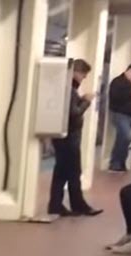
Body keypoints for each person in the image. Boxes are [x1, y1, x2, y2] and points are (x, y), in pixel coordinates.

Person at [48, 59, 102, 217]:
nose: (84, 77)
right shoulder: (69, 89)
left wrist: (81, 99)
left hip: (63, 136)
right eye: (83, 74)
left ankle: (56, 205)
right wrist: (86, 101)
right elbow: (74, 113)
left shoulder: (65, 87)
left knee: (62, 172)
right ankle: (78, 205)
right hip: (69, 137)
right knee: (73, 172)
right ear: (76, 72)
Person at [107, 63, 131, 172]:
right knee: (127, 136)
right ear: (130, 70)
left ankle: (120, 163)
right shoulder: (117, 82)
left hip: (129, 116)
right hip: (119, 114)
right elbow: (116, 97)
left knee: (123, 139)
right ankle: (114, 163)